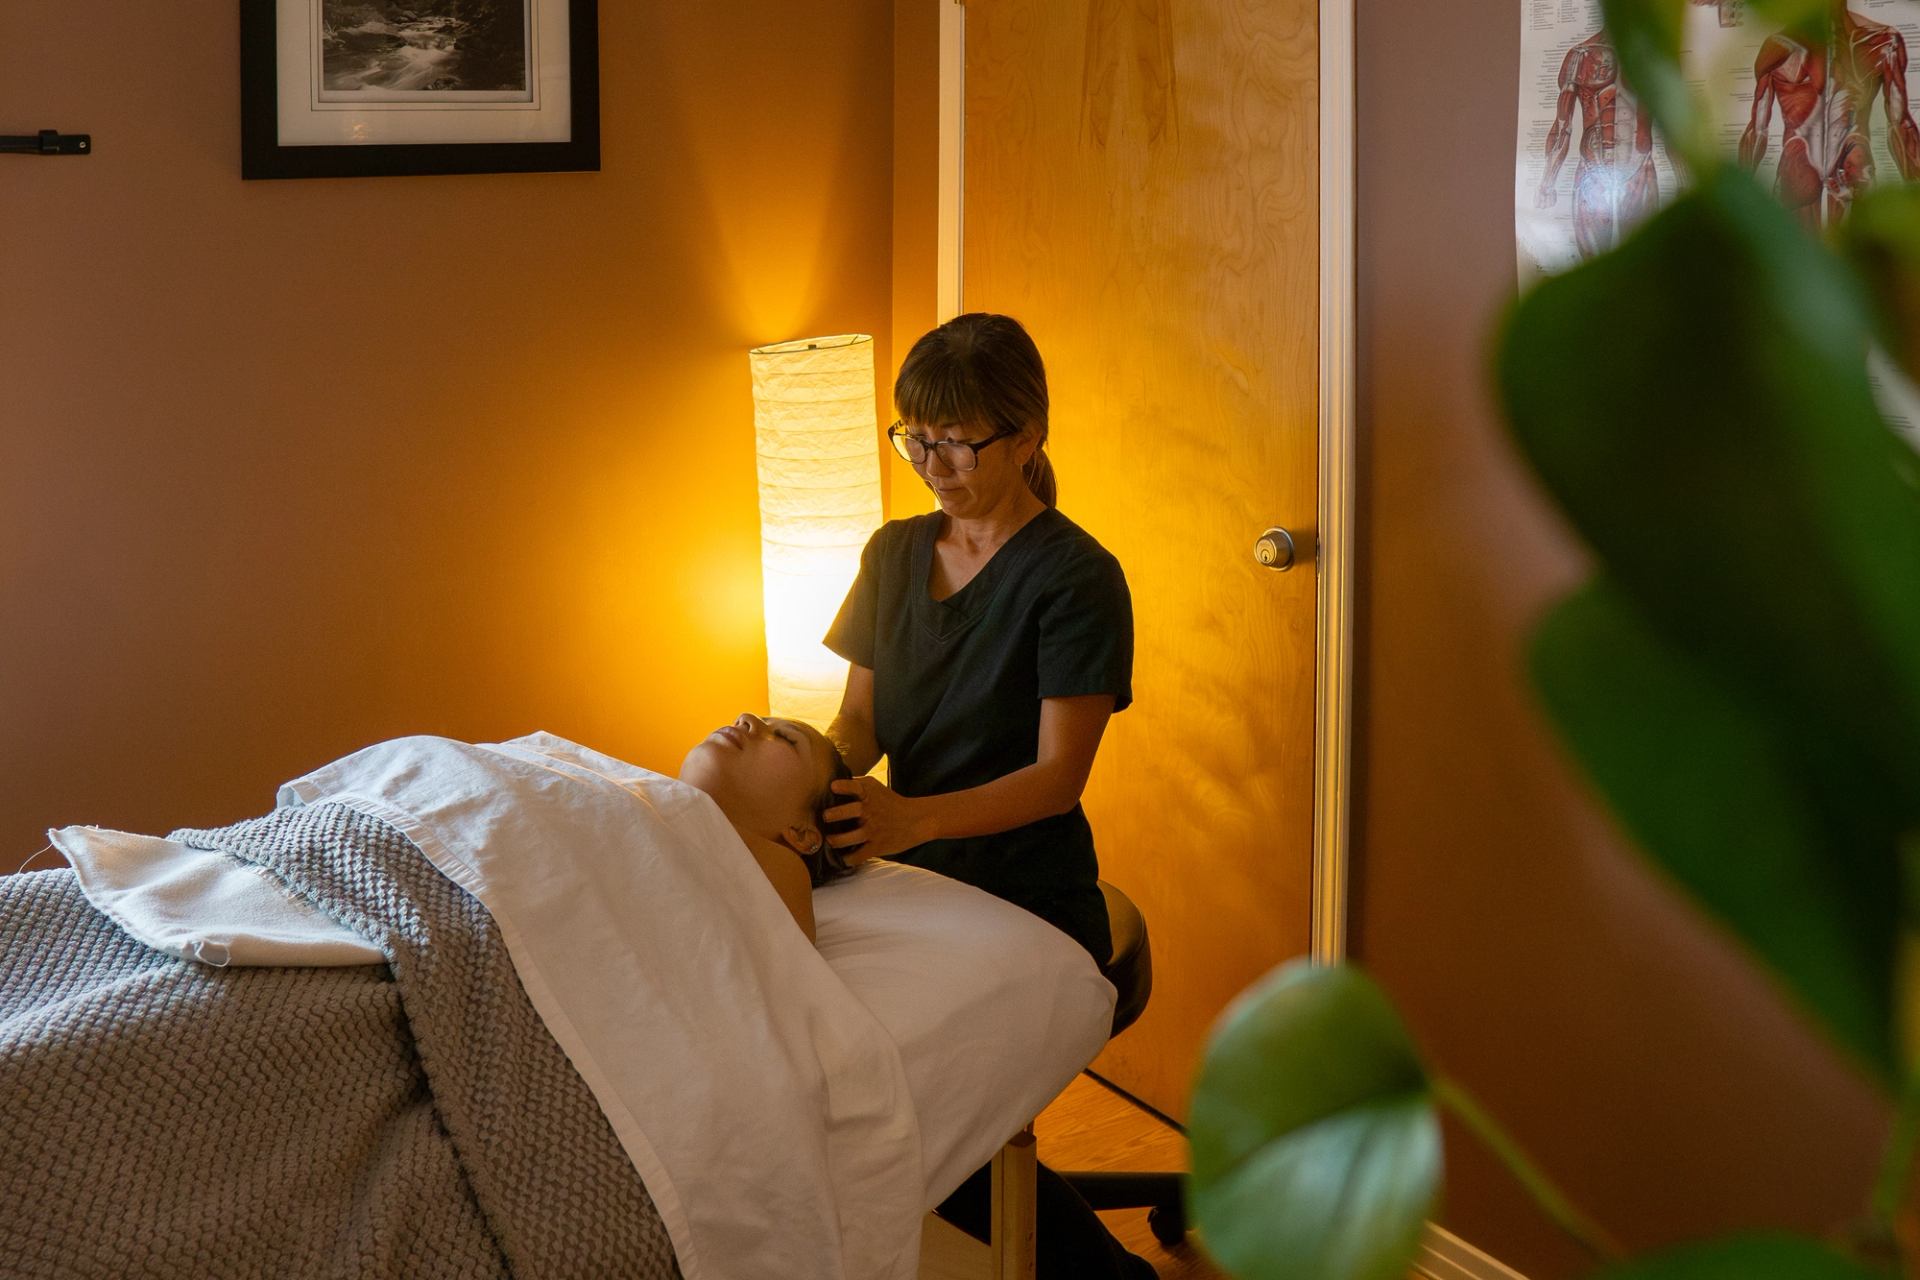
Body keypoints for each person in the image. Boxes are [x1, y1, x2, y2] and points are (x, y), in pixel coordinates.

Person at [819, 313, 1150, 1279]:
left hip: (1025, 891)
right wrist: (803, 765)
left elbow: (1057, 782)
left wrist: (909, 820)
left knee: (912, 1107)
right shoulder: (892, 554)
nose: (933, 464)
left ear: (1028, 435)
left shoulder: (1077, 579)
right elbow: (860, 727)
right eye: (915, 438)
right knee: (843, 1082)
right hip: (906, 881)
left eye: (957, 442)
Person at [677, 711, 854, 942]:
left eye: (785, 738)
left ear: (801, 835)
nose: (745, 717)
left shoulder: (786, 871)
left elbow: (786, 961)